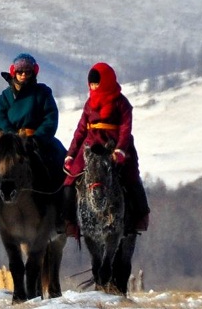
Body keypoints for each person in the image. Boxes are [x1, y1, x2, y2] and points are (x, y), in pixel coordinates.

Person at [61, 62, 150, 237]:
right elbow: (81, 130)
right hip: (91, 145)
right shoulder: (89, 103)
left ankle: (140, 216)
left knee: (131, 176)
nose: (94, 87)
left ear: (106, 81)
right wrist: (71, 154)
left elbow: (125, 128)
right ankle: (68, 220)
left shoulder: (121, 103)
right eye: (91, 84)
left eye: (97, 83)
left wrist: (120, 150)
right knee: (70, 179)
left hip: (115, 145)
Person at [0, 53, 67, 229]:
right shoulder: (5, 96)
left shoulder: (43, 92)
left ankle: (62, 213)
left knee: (62, 163)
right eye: (20, 72)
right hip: (11, 143)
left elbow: (51, 117)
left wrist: (39, 137)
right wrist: (9, 135)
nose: (23, 75)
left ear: (33, 73)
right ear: (14, 73)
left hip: (38, 140)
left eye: (27, 72)